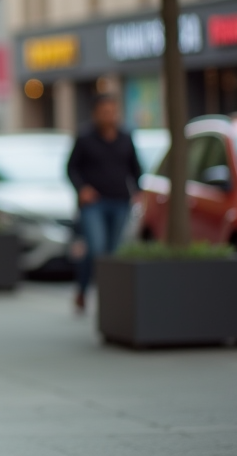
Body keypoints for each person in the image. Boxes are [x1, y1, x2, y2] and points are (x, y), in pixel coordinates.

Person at [66, 94, 143, 313]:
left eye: (112, 111)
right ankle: (83, 290)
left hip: (120, 202)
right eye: (104, 112)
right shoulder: (85, 138)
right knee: (96, 249)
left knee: (113, 252)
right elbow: (71, 168)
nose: (109, 116)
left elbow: (135, 168)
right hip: (95, 204)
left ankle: (109, 298)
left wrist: (138, 191)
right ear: (95, 114)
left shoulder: (126, 137)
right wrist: (82, 189)